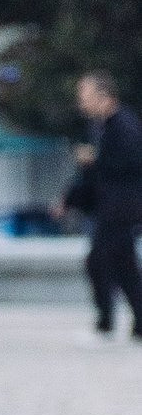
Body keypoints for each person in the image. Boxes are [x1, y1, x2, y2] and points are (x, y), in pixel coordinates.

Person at [68, 71, 142, 341]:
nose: (82, 103)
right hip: (109, 208)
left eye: (85, 97)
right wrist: (70, 200)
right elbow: (92, 178)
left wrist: (95, 160)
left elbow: (128, 166)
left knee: (107, 262)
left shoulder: (125, 126)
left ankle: (108, 323)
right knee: (116, 265)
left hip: (123, 209)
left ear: (104, 96)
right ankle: (120, 322)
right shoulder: (98, 128)